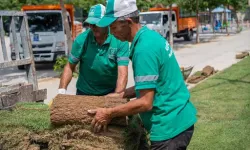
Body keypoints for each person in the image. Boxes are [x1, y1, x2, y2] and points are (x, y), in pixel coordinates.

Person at [88, 0, 197, 149]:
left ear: (127, 22)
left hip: (169, 126)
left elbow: (146, 102)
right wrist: (122, 94)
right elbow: (155, 83)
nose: (111, 33)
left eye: (113, 27)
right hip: (179, 117)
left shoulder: (143, 50)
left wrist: (109, 113)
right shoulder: (149, 36)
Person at [58, 4, 129, 96]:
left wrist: (117, 95)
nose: (92, 27)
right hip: (84, 92)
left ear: (105, 22)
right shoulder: (82, 40)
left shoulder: (119, 40)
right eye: (90, 24)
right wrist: (61, 91)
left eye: (96, 24)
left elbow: (122, 73)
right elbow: (69, 66)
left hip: (109, 92)